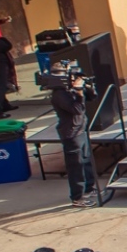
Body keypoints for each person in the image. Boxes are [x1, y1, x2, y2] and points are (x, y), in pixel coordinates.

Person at [48, 64, 98, 207]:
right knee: (76, 166)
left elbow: (93, 97)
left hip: (81, 129)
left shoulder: (69, 90)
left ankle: (89, 188)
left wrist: (86, 86)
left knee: (86, 160)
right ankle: (77, 197)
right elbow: (77, 109)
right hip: (71, 133)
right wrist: (78, 92)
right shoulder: (60, 94)